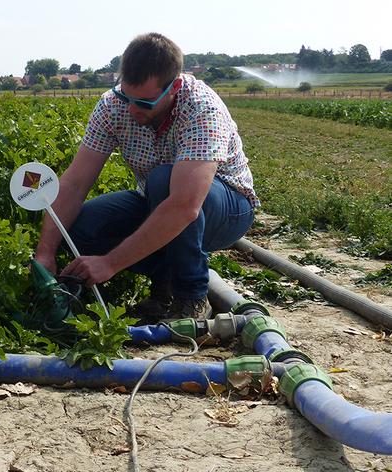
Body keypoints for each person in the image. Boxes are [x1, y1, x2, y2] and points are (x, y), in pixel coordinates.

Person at [34, 32, 259, 320]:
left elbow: (185, 205)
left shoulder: (202, 108)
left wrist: (110, 263)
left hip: (227, 207)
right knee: (81, 226)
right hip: (157, 199)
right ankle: (164, 281)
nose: (132, 109)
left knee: (164, 181)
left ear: (174, 86)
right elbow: (75, 183)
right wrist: (46, 252)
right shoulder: (112, 106)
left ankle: (191, 298)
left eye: (145, 102)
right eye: (126, 96)